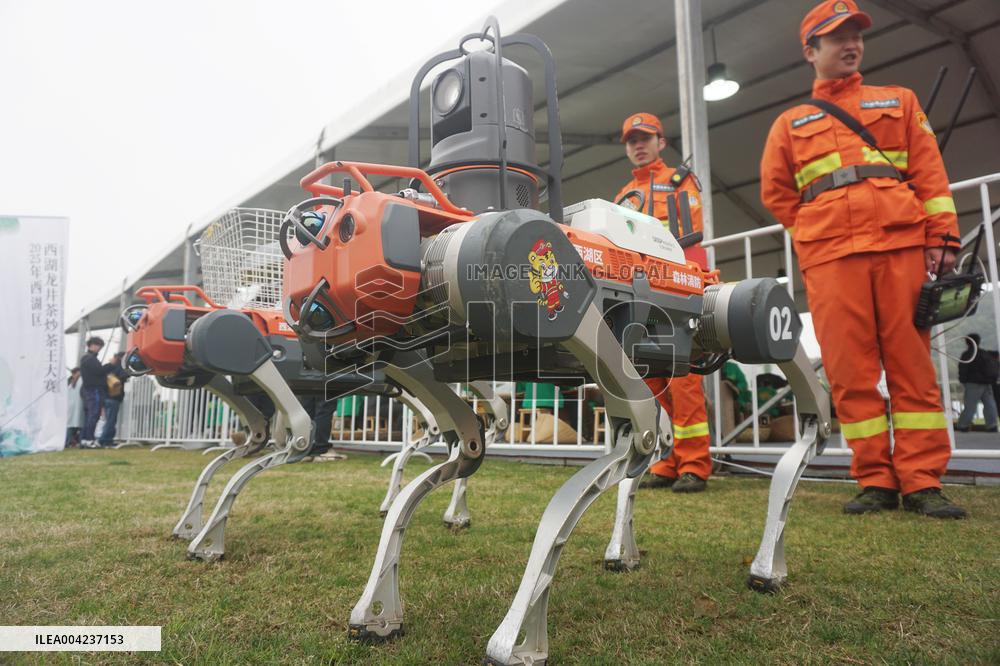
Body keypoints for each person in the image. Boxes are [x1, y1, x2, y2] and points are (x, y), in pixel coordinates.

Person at [760, 0, 965, 517]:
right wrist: (810, 230)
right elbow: (777, 192)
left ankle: (922, 480)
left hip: (900, 245)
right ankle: (875, 478)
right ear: (811, 51)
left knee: (911, 364)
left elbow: (930, 174)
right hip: (831, 258)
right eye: (836, 38)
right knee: (851, 371)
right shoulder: (790, 122)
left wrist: (942, 237)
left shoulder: (898, 101)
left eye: (855, 36)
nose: (850, 45)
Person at [614, 111, 711, 493]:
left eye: (645, 138)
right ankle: (664, 462)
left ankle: (695, 465)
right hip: (639, 293)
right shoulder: (622, 196)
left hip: (675, 289)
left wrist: (694, 286)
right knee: (649, 379)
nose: (638, 145)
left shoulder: (678, 182)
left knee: (684, 380)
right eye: (631, 140)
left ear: (661, 142)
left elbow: (691, 238)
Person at [955, 334, 999, 432]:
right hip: (987, 383)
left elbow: (963, 369)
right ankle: (992, 425)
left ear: (967, 342)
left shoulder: (967, 354)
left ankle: (963, 425)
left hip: (973, 383)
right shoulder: (985, 353)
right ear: (978, 341)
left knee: (970, 405)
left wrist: (963, 380)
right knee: (990, 404)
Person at [79, 336, 106, 448]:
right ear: (90, 345)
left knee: (89, 415)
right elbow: (99, 371)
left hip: (88, 390)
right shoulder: (90, 358)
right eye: (97, 345)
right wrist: (110, 366)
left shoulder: (87, 358)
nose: (98, 348)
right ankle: (89, 439)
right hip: (93, 390)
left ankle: (84, 439)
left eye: (100, 346)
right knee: (93, 415)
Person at [98, 352, 129, 447]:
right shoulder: (119, 368)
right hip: (114, 397)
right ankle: (105, 440)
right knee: (111, 421)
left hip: (105, 397)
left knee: (109, 420)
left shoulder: (107, 368)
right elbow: (125, 376)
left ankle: (107, 439)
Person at [66, 368, 84, 448]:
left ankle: (67, 442)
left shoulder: (70, 382)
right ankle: (80, 442)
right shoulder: (82, 380)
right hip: (79, 406)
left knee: (70, 425)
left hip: (71, 407)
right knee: (80, 425)